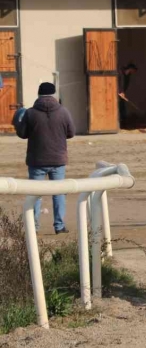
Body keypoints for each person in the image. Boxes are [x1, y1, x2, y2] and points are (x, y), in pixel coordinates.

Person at [14, 82, 76, 234]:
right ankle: (59, 226)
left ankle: (34, 227)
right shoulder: (63, 112)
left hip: (37, 160)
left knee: (35, 193)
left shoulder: (30, 113)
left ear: (38, 94)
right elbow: (71, 133)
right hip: (58, 159)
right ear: (54, 94)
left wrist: (17, 121)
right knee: (59, 193)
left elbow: (23, 134)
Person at [118, 63, 138, 128]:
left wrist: (123, 92)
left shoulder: (128, 76)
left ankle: (123, 122)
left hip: (121, 93)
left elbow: (124, 85)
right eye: (133, 71)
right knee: (119, 107)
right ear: (131, 69)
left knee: (122, 107)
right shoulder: (120, 73)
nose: (133, 72)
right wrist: (119, 91)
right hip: (117, 93)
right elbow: (117, 83)